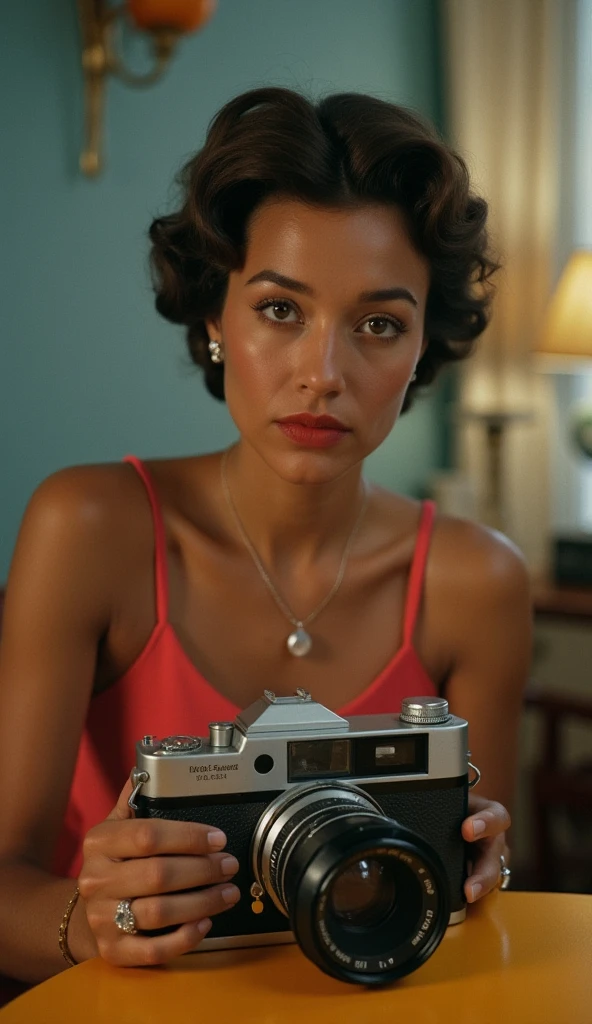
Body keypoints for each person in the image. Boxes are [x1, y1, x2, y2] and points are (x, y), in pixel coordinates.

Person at [0, 87, 532, 986]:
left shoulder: (476, 582)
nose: (323, 374)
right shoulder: (90, 528)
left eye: (378, 324)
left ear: (420, 351)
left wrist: (484, 871)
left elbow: (483, 907)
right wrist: (94, 925)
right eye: (281, 309)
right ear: (214, 318)